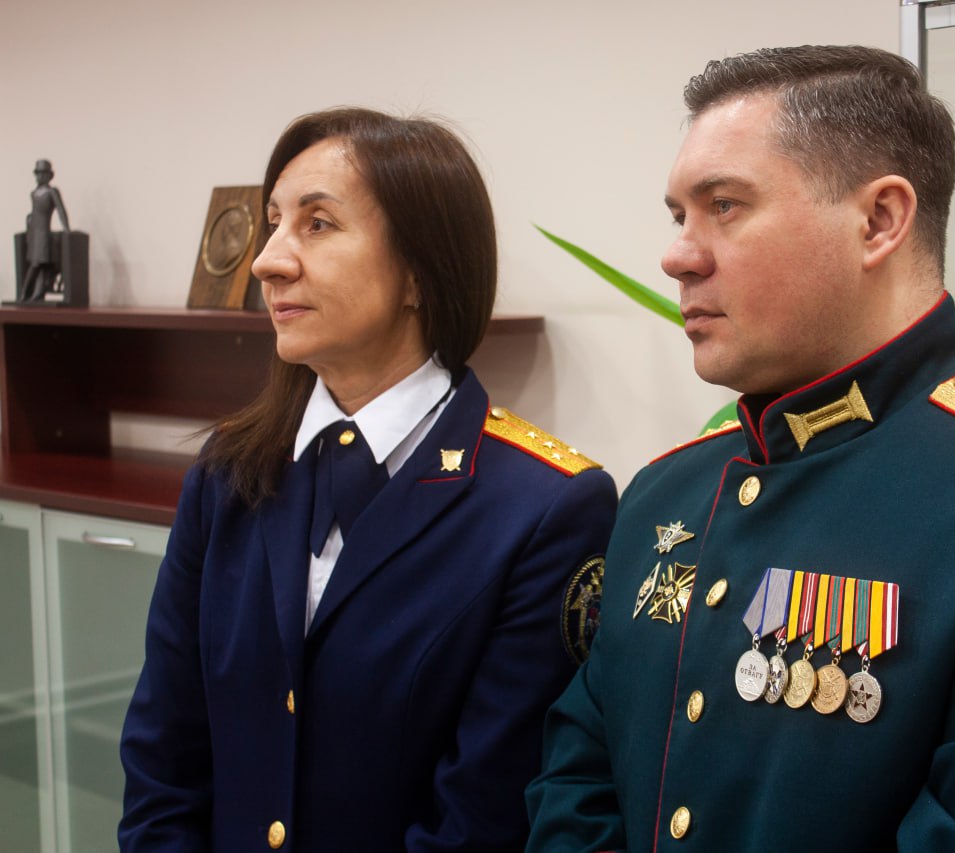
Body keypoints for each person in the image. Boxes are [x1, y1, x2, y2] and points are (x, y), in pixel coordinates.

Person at [525, 45, 955, 851]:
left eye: (723, 205)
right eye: (678, 216)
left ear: (879, 221)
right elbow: (577, 778)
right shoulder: (668, 491)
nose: (678, 255)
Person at [119, 107, 617, 851]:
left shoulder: (545, 507)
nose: (267, 262)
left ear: (419, 271)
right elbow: (163, 758)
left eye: (317, 224)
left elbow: (481, 818)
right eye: (274, 224)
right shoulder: (230, 473)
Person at [20, 159, 70, 302]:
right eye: (38, 174)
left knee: (40, 263)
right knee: (35, 263)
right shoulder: (34, 193)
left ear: (49, 176)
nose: (40, 177)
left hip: (43, 233)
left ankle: (33, 294)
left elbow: (60, 210)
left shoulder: (52, 192)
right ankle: (27, 293)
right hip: (34, 232)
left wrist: (66, 228)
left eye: (43, 174)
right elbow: (33, 213)